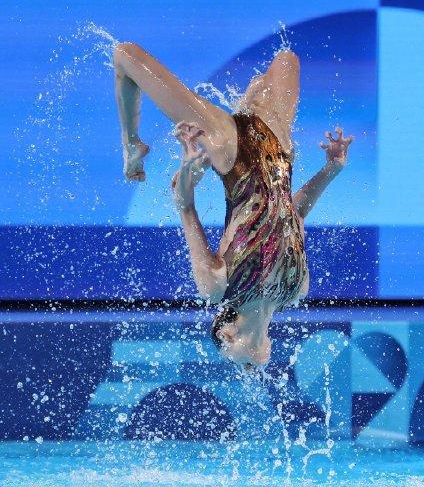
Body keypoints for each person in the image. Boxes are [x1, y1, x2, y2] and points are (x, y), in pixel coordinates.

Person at [113, 43, 353, 372]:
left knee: (126, 57)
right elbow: (291, 215)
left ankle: (131, 144)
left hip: (232, 152)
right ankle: (247, 105)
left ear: (227, 335)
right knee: (288, 59)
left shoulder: (217, 287)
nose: (248, 369)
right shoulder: (296, 289)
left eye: (240, 364)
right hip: (277, 148)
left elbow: (184, 206)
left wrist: (189, 168)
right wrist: (331, 170)